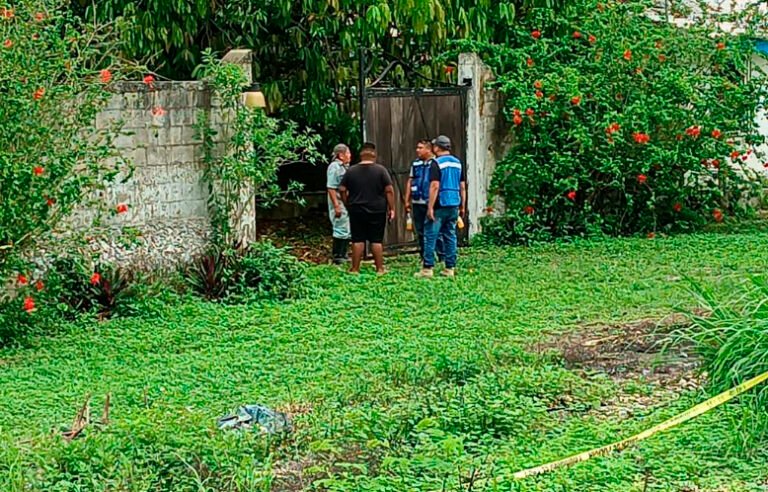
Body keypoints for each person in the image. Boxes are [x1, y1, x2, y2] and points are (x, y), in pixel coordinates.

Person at [339, 143, 396, 275]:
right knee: (376, 240)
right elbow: (389, 190)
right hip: (377, 209)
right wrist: (391, 208)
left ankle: (355, 269)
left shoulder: (351, 170)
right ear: (374, 155)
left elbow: (342, 189)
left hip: (356, 209)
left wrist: (347, 203)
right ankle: (380, 269)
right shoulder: (381, 170)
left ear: (361, 155)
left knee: (358, 239)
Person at [416, 135, 467, 278]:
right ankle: (449, 268)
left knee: (430, 235)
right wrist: (462, 205)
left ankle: (427, 268)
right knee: (450, 235)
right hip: (454, 203)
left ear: (437, 147)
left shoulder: (436, 163)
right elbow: (462, 186)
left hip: (439, 204)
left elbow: (434, 186)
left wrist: (430, 207)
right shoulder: (457, 163)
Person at [404, 139, 442, 262]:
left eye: (420, 148)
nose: (417, 150)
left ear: (428, 149)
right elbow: (410, 180)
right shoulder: (416, 164)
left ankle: (441, 254)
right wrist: (407, 199)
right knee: (420, 231)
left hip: (430, 201)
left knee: (435, 230)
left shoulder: (435, 163)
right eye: (417, 147)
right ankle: (424, 255)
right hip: (417, 200)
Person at [326, 143, 352, 264]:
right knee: (340, 228)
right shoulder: (334, 167)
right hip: (338, 201)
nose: (350, 155)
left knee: (346, 228)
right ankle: (338, 256)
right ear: (341, 155)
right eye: (347, 153)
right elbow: (331, 187)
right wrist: (336, 205)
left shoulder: (345, 167)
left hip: (344, 202)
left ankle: (344, 254)